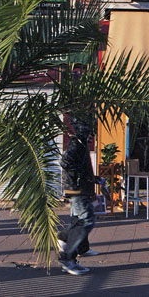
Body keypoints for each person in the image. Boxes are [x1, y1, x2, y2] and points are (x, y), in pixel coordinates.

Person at [57, 117, 101, 275]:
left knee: (78, 220)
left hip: (80, 188)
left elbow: (82, 167)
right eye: (89, 130)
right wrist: (76, 183)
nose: (91, 134)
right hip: (77, 190)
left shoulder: (81, 143)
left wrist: (93, 179)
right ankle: (67, 258)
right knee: (86, 219)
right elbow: (66, 162)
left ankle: (66, 240)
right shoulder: (78, 143)